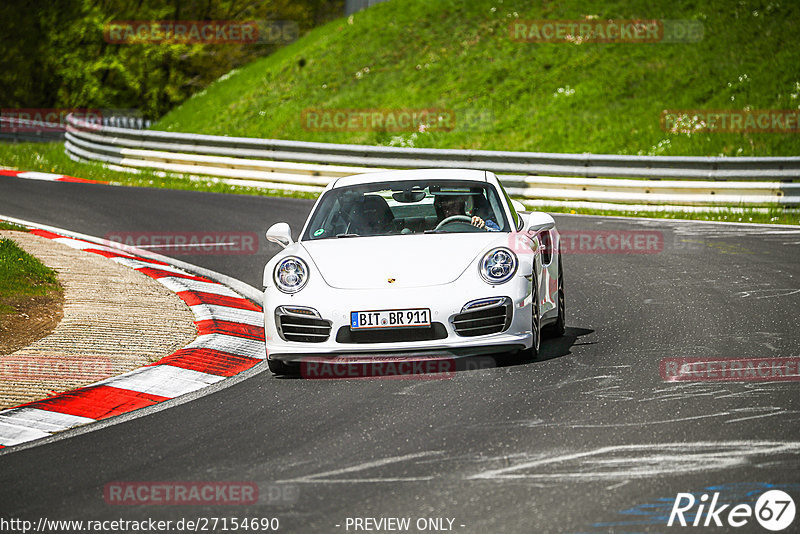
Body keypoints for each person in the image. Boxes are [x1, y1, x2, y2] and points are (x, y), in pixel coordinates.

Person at [433, 193, 500, 231]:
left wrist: (484, 227)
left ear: (462, 204)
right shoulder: (434, 226)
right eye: (445, 207)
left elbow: (501, 235)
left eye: (454, 205)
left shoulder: (476, 222)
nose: (449, 211)